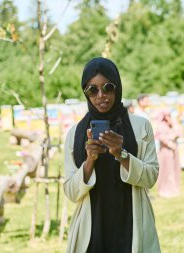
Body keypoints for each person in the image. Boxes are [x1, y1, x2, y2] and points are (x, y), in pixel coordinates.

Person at [63, 57, 160, 253]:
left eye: (107, 87)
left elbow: (151, 178)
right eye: (92, 90)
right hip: (92, 229)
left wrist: (121, 154)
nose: (101, 95)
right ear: (86, 93)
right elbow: (72, 193)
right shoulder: (75, 134)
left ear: (118, 87)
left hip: (131, 224)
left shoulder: (141, 126)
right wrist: (89, 160)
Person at [155, 110, 182, 198]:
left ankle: (174, 187)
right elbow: (160, 137)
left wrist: (172, 124)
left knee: (174, 168)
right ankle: (165, 189)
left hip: (174, 149)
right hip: (165, 150)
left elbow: (179, 132)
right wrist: (169, 143)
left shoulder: (173, 123)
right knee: (166, 170)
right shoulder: (160, 125)